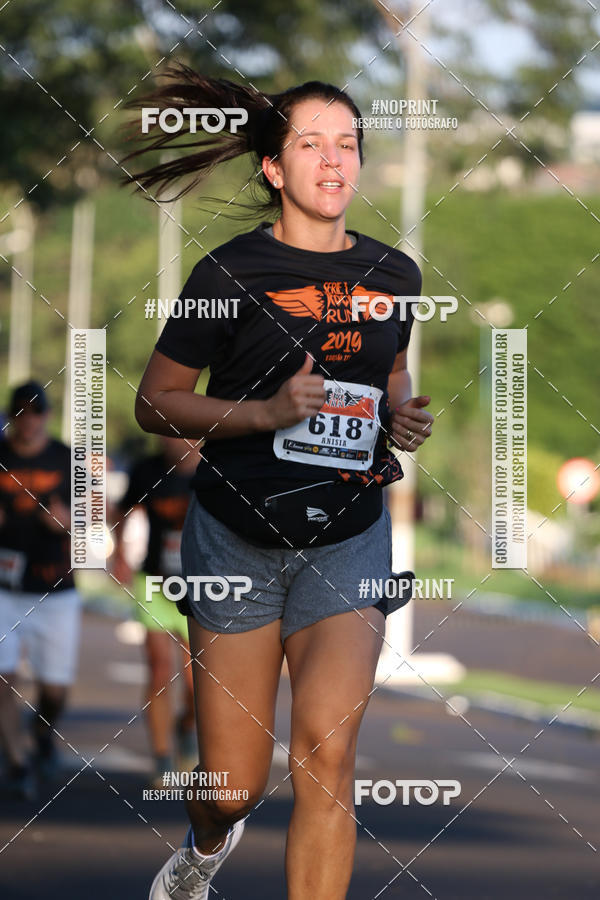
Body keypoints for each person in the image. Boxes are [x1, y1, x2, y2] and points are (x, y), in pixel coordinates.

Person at [122, 66, 434, 900]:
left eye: (347, 144)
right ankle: (204, 847)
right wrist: (263, 414)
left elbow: (390, 367)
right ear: (273, 168)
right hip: (237, 542)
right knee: (231, 788)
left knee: (327, 759)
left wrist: (399, 412)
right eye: (311, 144)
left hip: (348, 538)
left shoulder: (394, 276)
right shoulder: (228, 275)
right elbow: (156, 402)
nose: (334, 161)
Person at [0, 381, 78, 799]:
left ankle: (43, 732)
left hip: (55, 589)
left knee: (55, 688)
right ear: (11, 417)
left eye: (34, 413)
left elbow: (92, 524)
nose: (27, 421)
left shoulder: (67, 459)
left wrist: (66, 523)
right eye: (19, 413)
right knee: (2, 677)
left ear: (46, 415)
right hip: (4, 588)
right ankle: (17, 762)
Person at [112, 436, 199, 787]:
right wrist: (119, 553)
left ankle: (188, 726)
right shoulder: (147, 470)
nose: (176, 440)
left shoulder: (217, 467)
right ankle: (163, 759)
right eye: (168, 432)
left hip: (201, 584)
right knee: (160, 667)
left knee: (197, 681)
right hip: (154, 580)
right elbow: (124, 510)